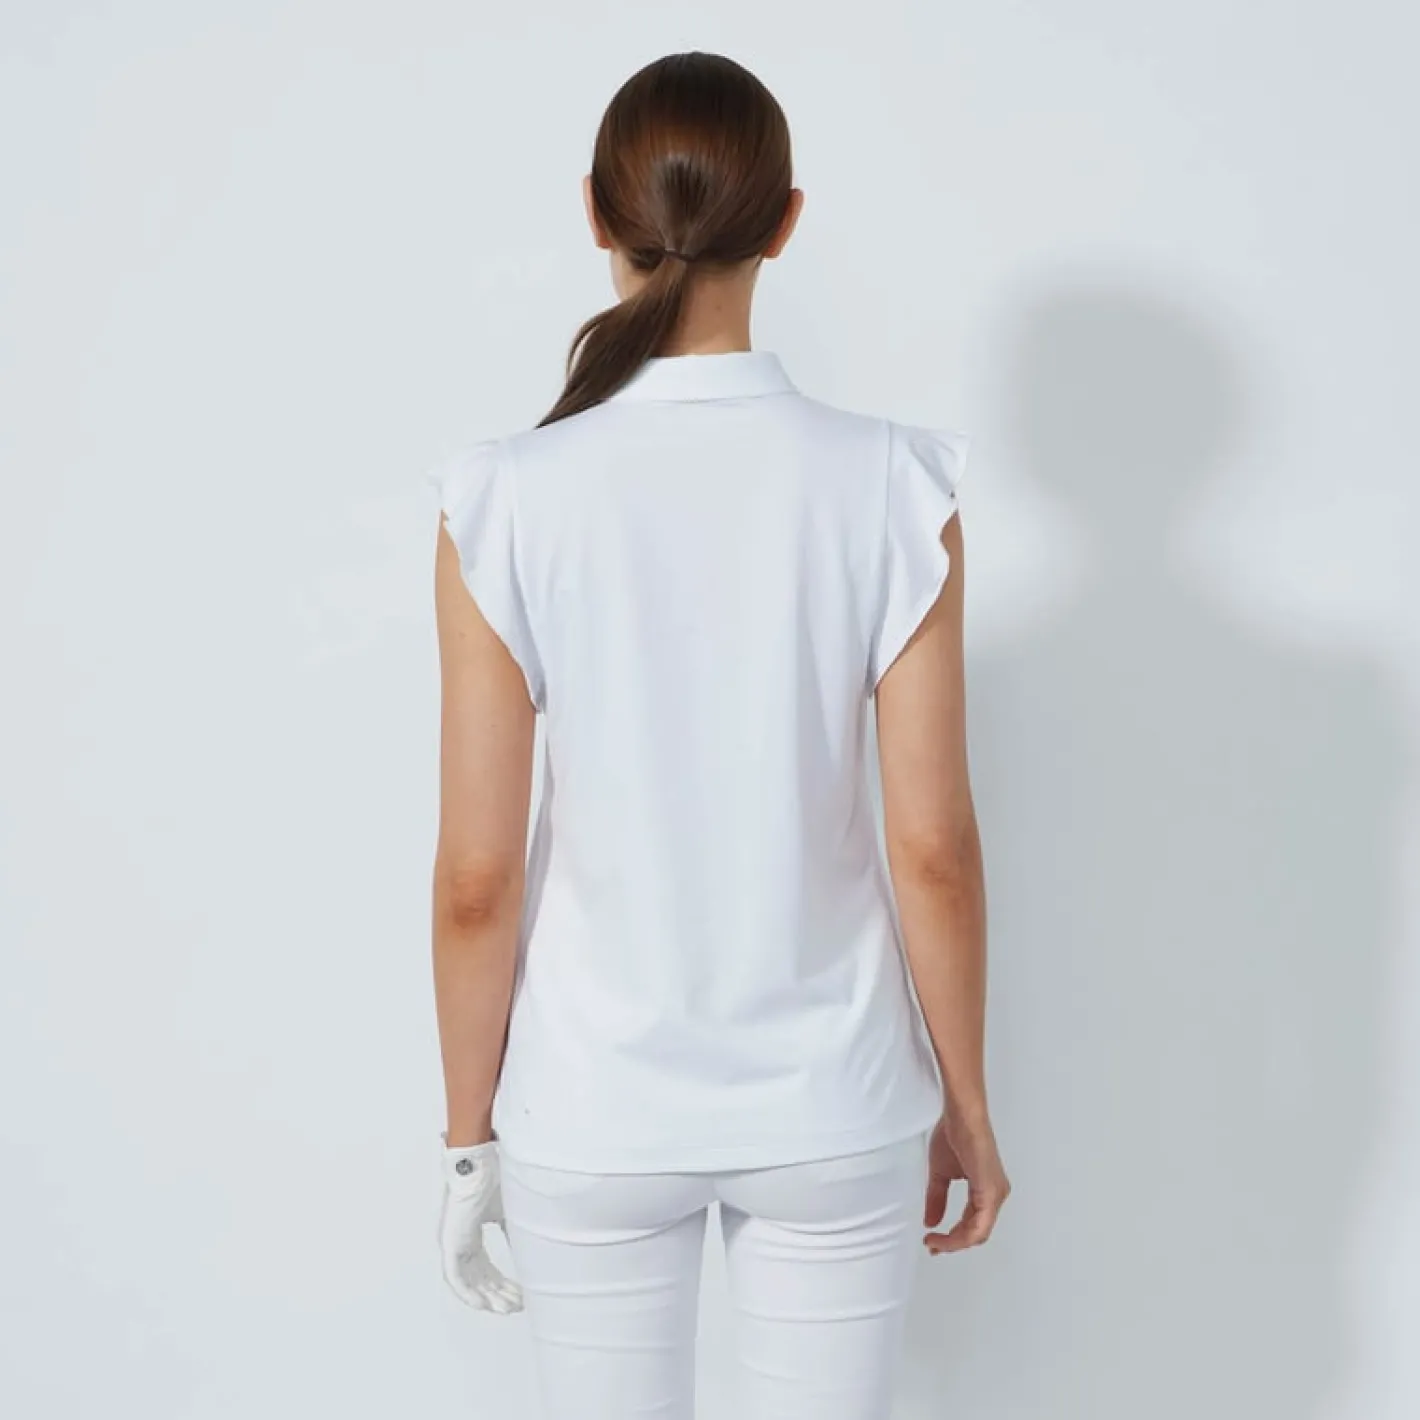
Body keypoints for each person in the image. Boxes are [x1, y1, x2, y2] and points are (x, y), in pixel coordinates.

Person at [425, 49, 1009, 1420]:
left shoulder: (502, 499)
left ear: (595, 211)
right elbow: (932, 845)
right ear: (785, 221)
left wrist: (467, 1144)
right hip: (835, 1106)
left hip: (592, 1107)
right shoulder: (897, 486)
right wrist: (967, 1101)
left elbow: (476, 880)